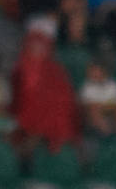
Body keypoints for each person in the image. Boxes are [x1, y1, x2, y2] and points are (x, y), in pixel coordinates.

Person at [10, 26, 80, 155]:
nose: (37, 51)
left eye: (41, 47)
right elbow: (16, 101)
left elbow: (65, 99)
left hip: (52, 121)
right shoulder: (20, 69)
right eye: (33, 47)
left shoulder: (56, 70)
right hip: (26, 123)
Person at [78, 58, 116, 137]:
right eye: (91, 71)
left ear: (102, 72)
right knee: (94, 108)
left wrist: (109, 105)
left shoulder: (112, 84)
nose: (92, 74)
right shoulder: (86, 86)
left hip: (109, 108)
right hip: (91, 113)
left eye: (95, 71)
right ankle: (107, 136)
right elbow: (88, 105)